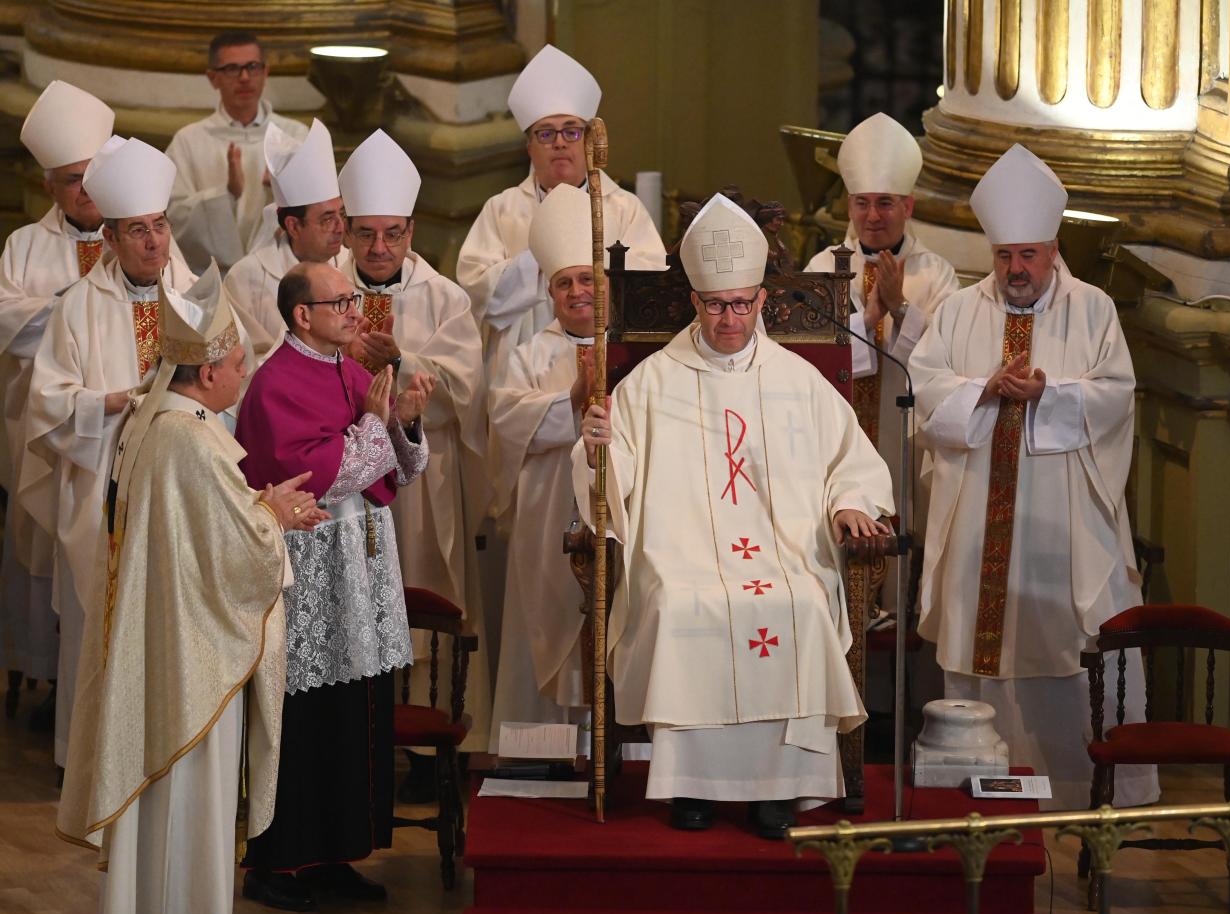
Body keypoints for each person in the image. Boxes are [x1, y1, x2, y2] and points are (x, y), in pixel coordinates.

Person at [574, 194, 893, 838]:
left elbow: (850, 461)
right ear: (694, 302)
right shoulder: (649, 384)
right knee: (676, 603)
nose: (730, 318)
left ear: (761, 302)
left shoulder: (799, 380)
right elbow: (615, 483)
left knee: (801, 602)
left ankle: (782, 790)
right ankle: (692, 786)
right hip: (684, 556)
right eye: (717, 305)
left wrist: (852, 503)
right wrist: (598, 449)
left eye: (742, 304)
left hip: (785, 555)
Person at [56, 269, 325, 914]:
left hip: (172, 650)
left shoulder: (160, 425)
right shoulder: (190, 439)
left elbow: (197, 538)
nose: (243, 374)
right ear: (206, 373)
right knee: (188, 809)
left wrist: (260, 507)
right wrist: (276, 519)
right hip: (192, 668)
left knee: (166, 816)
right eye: (238, 363)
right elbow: (233, 555)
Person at [908, 144, 1158, 810]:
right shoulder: (960, 311)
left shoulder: (1094, 309)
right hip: (979, 521)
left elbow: (1117, 396)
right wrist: (983, 390)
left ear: (1052, 249)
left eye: (1028, 255)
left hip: (1063, 518)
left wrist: (1050, 390)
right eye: (1003, 256)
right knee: (981, 649)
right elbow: (928, 392)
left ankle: (1082, 791)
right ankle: (978, 789)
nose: (1015, 270)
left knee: (1066, 648)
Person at [235, 260, 432, 911]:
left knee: (355, 711)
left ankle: (335, 854)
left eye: (353, 298)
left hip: (363, 566)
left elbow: (394, 469)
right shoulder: (274, 384)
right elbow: (322, 472)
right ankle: (277, 860)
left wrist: (405, 419)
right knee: (306, 718)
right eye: (341, 301)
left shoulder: (348, 370)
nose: (355, 309)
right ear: (302, 316)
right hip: (312, 571)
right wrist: (376, 426)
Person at [18, 135, 204, 771]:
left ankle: (160, 753)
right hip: (104, 488)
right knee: (100, 622)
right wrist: (112, 401)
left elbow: (229, 385)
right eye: (138, 231)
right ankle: (90, 760)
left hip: (179, 484)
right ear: (113, 239)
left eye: (159, 226)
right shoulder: (77, 309)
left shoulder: (194, 300)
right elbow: (49, 401)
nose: (154, 241)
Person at [334, 130, 491, 768]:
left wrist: (404, 358)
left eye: (392, 233)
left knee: (419, 593)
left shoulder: (445, 297)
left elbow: (467, 392)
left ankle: (420, 753)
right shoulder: (323, 291)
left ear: (412, 230)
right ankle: (352, 745)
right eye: (366, 232)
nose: (379, 247)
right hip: (344, 480)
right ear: (345, 229)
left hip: (420, 481)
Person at [0, 80, 113, 721]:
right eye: (73, 180)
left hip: (115, 427)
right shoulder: (24, 246)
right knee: (43, 546)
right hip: (47, 425)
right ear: (50, 185)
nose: (87, 191)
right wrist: (80, 314)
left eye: (95, 176)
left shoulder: (142, 238)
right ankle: (47, 675)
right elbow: (8, 323)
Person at [457, 43, 665, 384]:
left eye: (572, 130)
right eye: (546, 133)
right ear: (529, 147)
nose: (559, 142)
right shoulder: (502, 209)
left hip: (607, 362)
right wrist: (542, 256)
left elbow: (648, 289)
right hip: (522, 371)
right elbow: (477, 295)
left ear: (588, 141)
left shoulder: (623, 208)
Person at [487, 183, 598, 748]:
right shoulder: (530, 354)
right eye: (564, 282)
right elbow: (505, 423)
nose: (577, 292)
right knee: (544, 619)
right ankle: (540, 750)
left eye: (587, 279)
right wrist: (570, 399)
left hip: (614, 515)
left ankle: (613, 751)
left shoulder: (639, 351)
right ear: (550, 292)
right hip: (548, 514)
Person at [805, 113, 957, 465]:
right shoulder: (823, 268)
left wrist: (901, 308)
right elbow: (809, 356)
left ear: (908, 207)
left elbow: (946, 361)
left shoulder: (936, 274)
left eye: (885, 202)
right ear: (850, 206)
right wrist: (871, 316)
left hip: (903, 439)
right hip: (835, 434)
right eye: (862, 202)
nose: (872, 216)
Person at [166, 30, 307, 273]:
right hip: (212, 278)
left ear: (265, 72)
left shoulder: (294, 135)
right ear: (212, 78)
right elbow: (172, 219)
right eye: (232, 69)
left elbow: (318, 215)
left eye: (252, 67)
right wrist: (225, 195)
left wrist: (279, 191)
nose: (244, 77)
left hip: (282, 277)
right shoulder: (188, 140)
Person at [225, 118, 348, 358]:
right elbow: (243, 362)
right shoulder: (246, 278)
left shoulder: (352, 268)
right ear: (293, 226)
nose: (339, 227)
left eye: (341, 214)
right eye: (326, 219)